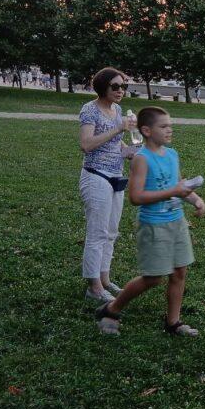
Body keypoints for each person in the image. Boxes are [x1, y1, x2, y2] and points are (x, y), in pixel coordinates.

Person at [94, 107, 205, 337]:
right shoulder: (142, 159)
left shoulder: (172, 154)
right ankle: (112, 309)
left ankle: (173, 322)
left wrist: (195, 199)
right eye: (163, 126)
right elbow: (136, 197)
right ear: (146, 130)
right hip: (154, 226)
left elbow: (177, 186)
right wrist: (172, 192)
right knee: (153, 278)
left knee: (179, 272)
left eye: (170, 125)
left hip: (176, 222)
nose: (169, 130)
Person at [78, 68, 136, 303]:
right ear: (103, 87)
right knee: (97, 233)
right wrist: (118, 128)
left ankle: (104, 279)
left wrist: (127, 150)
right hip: (96, 176)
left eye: (123, 86)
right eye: (115, 86)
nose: (121, 91)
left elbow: (114, 142)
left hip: (116, 175)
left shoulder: (118, 110)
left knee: (111, 232)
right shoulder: (90, 109)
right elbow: (86, 144)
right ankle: (93, 287)